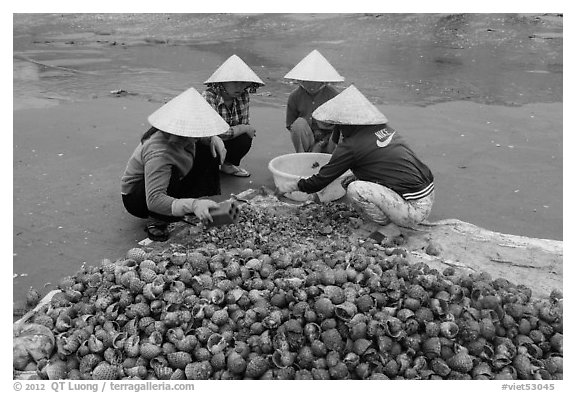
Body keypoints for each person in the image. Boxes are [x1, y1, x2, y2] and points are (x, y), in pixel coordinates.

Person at [278, 85, 435, 229]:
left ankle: (386, 227)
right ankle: (392, 216)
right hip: (426, 195)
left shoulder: (352, 145)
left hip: (413, 208)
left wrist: (292, 186)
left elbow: (320, 181)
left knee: (355, 189)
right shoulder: (382, 129)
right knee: (350, 179)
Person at [121, 87, 230, 242]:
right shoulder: (159, 152)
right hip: (139, 198)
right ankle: (157, 221)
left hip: (170, 175)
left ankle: (191, 203)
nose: (197, 137)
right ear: (181, 132)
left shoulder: (181, 135)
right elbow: (155, 200)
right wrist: (193, 205)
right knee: (169, 178)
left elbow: (201, 139)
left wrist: (213, 138)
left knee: (208, 149)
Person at [202, 54, 265, 177]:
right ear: (222, 82)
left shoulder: (243, 96)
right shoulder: (209, 97)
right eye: (235, 82)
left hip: (228, 136)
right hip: (208, 141)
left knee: (245, 137)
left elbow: (244, 123)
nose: (239, 87)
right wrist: (243, 128)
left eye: (243, 83)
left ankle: (227, 164)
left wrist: (244, 128)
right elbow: (216, 132)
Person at [284, 49, 345, 153]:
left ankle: (332, 159)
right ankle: (303, 155)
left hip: (330, 139)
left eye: (315, 82)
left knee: (342, 133)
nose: (311, 85)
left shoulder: (334, 96)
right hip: (308, 137)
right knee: (298, 124)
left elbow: (341, 126)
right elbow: (290, 125)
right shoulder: (294, 96)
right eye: (308, 81)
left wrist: (321, 143)